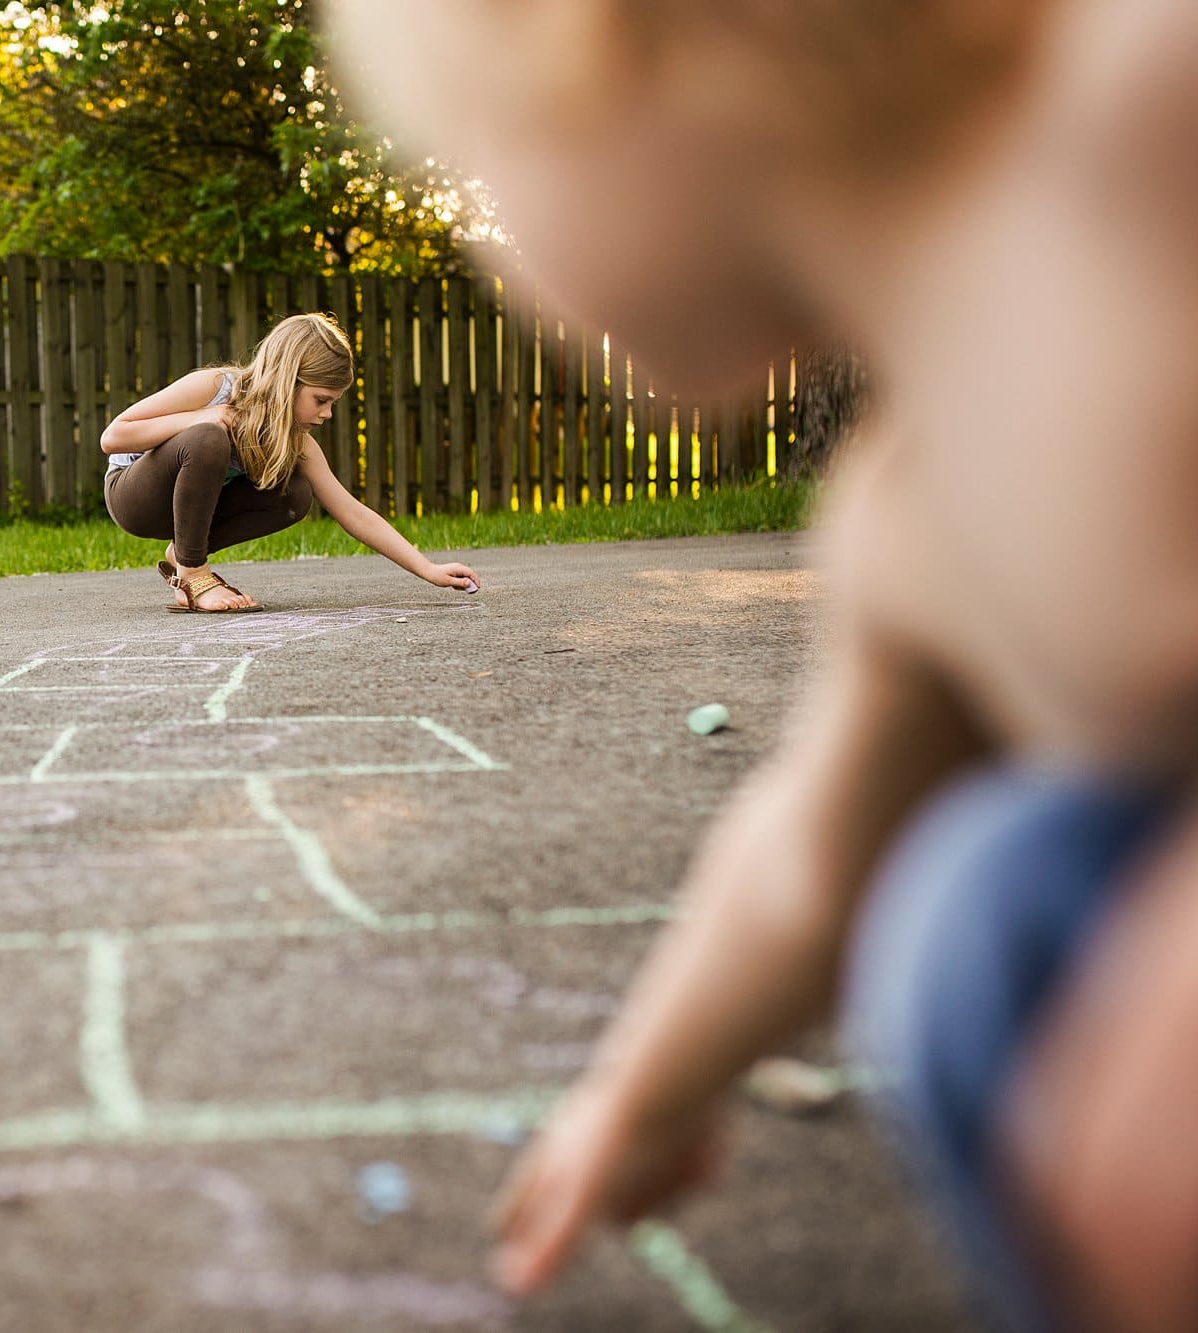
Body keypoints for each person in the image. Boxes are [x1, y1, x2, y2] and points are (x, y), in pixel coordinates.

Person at [326, 2, 1198, 1330]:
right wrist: (641, 1092)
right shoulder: (916, 515)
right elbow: (809, 857)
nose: (480, 235)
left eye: (483, 156)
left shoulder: (1142, 112)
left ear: (639, 54)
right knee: (974, 905)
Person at [101, 311, 481, 611]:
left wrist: (428, 569)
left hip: (186, 511)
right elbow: (114, 436)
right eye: (321, 400)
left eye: (333, 402)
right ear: (287, 382)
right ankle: (194, 574)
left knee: (295, 494)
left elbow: (351, 511)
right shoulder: (215, 387)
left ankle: (183, 554)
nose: (328, 414)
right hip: (134, 496)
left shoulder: (296, 441)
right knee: (207, 438)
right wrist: (202, 418)